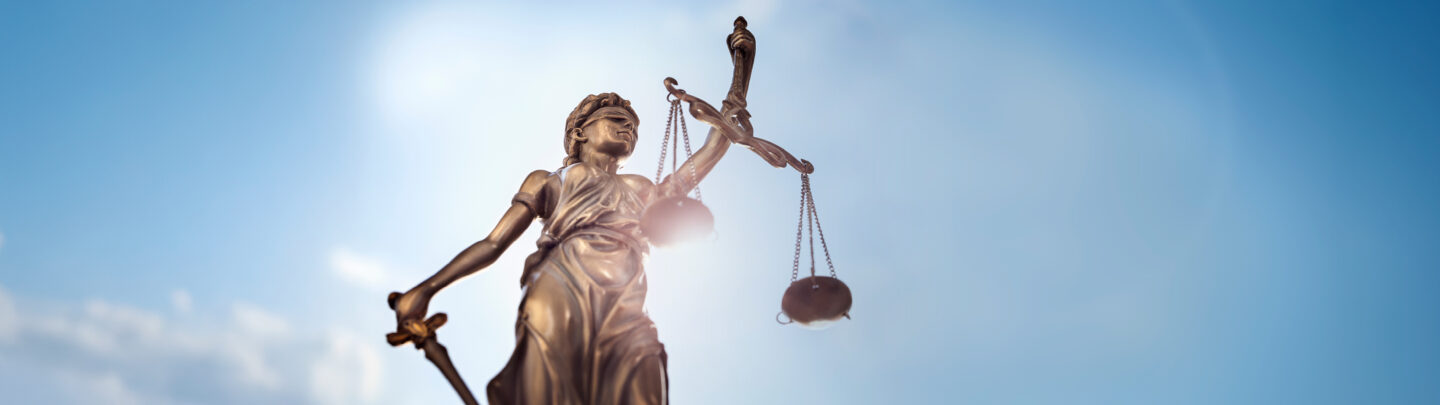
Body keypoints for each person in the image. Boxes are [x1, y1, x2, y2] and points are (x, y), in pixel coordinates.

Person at [390, 92, 735, 405]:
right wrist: (426, 289)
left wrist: (736, 94)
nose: (628, 128)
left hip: (628, 304)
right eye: (616, 120)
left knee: (645, 382)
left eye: (632, 127)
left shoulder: (641, 188)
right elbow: (494, 243)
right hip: (562, 284)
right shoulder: (549, 180)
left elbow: (698, 165)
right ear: (580, 132)